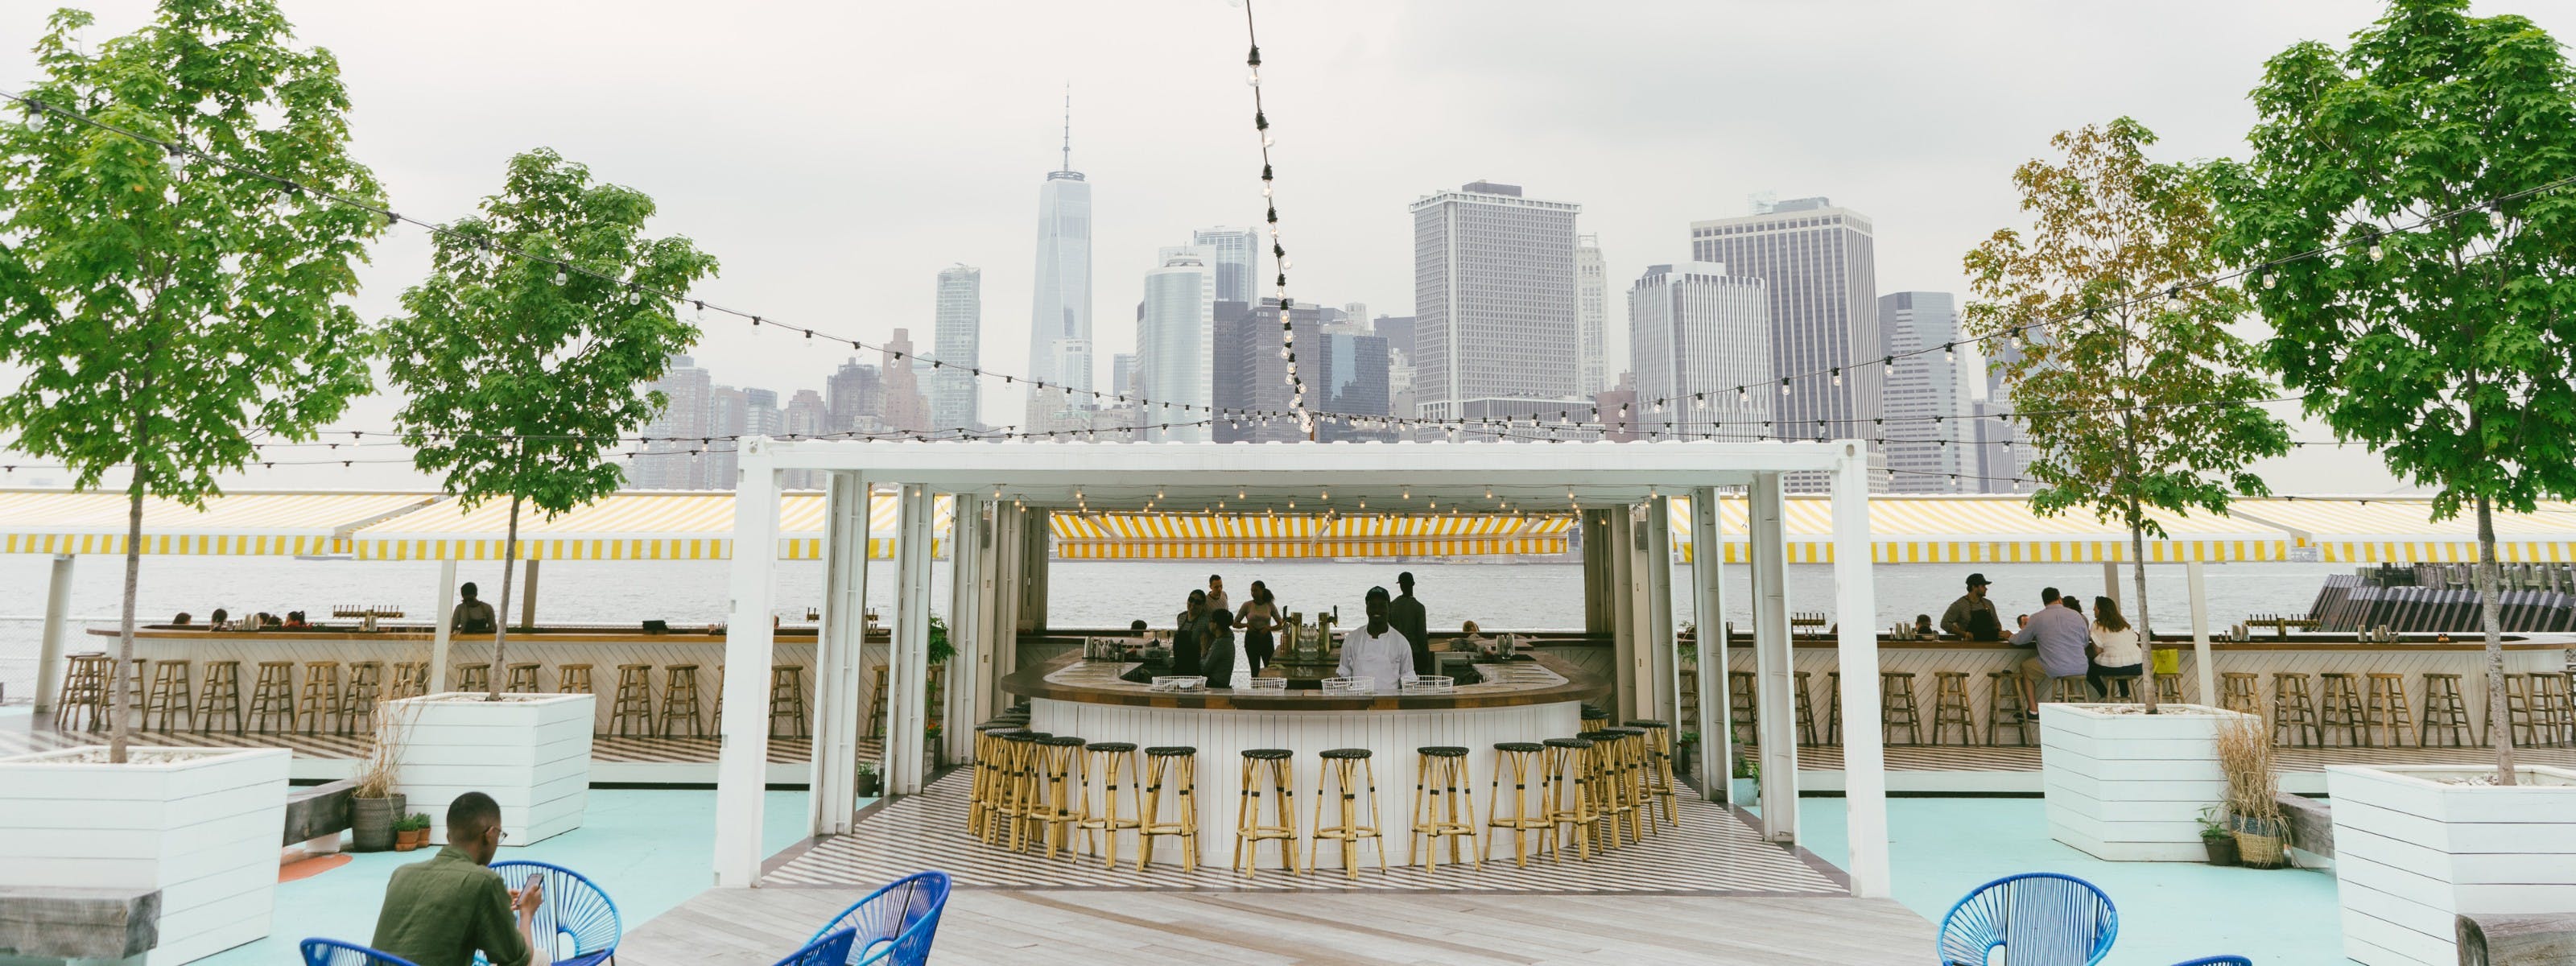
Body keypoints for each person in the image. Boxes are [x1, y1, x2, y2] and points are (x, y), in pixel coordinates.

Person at [369, 791, 540, 966]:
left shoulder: (402, 873)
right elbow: (518, 959)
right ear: (490, 834)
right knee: (539, 959)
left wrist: (498, 903)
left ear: (449, 837)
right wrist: (527, 912)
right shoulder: (484, 882)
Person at [2008, 586, 2091, 712]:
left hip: (2056, 667)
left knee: (2025, 668)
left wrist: (2009, 636)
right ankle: (2071, 705)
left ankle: (2033, 710)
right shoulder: (2076, 615)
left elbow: (2020, 640)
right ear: (2059, 598)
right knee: (2068, 670)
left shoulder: (2037, 617)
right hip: (2081, 666)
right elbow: (2085, 642)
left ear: (2044, 601)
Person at [1337, 587, 1415, 686]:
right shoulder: (1351, 640)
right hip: (1359, 700)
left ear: (1389, 608)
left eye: (1382, 605)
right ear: (1366, 608)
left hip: (1390, 701)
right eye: (1372, 605)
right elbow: (1344, 676)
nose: (1377, 610)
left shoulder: (1401, 642)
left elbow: (1408, 680)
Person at [2087, 596, 2145, 700]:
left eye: (2095, 607)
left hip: (2117, 668)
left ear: (2100, 609)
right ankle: (2124, 698)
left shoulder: (2097, 624)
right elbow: (2134, 639)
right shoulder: (2124, 623)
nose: (2093, 609)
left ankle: (2106, 695)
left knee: (2089, 669)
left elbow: (2097, 651)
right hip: (2138, 666)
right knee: (2120, 663)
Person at [1389, 572, 1433, 678]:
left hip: (1394, 654)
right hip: (1415, 655)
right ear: (1413, 584)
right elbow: (1421, 636)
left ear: (1400, 586)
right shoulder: (1419, 608)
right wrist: (1426, 658)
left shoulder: (1392, 606)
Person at [1236, 580, 1281, 675]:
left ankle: (1269, 689)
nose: (1253, 593)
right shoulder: (1247, 605)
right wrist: (1246, 625)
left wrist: (1269, 628)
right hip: (1251, 639)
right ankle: (1255, 688)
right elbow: (1235, 623)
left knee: (1269, 668)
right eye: (1251, 591)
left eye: (1256, 591)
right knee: (1254, 669)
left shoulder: (1270, 605)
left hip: (1266, 639)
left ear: (1262, 591)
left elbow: (1280, 624)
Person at [1939, 573, 1996, 638]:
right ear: (1974, 587)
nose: (1986, 589)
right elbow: (1944, 624)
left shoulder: (1989, 604)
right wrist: (1965, 634)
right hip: (1969, 646)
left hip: (1990, 645)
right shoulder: (1959, 605)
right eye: (1983, 586)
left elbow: (1997, 623)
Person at [1170, 591, 1210, 676]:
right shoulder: (1181, 617)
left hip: (1195, 667)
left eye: (1198, 602)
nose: (1193, 604)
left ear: (1203, 606)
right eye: (1191, 600)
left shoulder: (1206, 621)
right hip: (1179, 666)